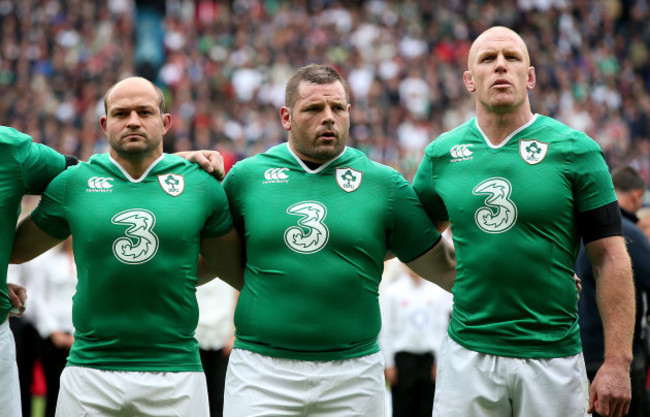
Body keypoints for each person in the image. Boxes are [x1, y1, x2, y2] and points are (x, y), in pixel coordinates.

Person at [412, 26, 635, 417]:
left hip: (553, 356)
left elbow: (610, 258)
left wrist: (617, 362)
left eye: (512, 58)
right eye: (487, 59)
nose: (501, 66)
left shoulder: (576, 150)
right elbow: (413, 239)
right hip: (468, 355)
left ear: (529, 76)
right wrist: (460, 276)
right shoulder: (441, 155)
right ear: (469, 80)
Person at [221, 63, 457, 416]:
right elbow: (205, 260)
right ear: (286, 117)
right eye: (314, 109)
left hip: (354, 376)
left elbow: (446, 266)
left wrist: (534, 286)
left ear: (349, 113)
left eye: (337, 108)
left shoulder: (384, 185)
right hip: (260, 373)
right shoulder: (245, 178)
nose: (328, 117)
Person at [10, 76, 244, 417]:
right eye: (121, 113)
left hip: (175, 371)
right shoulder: (76, 183)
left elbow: (232, 268)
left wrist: (173, 273)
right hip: (89, 370)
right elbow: (16, 248)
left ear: (165, 123)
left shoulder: (200, 185)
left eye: (144, 112)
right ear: (105, 124)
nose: (133, 120)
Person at [576, 165, 650, 417]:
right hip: (615, 355)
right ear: (636, 195)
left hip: (579, 351)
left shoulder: (576, 229)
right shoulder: (627, 232)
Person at [379, 264, 452, 417]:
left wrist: (440, 361)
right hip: (403, 361)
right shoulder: (394, 292)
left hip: (428, 360)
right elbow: (386, 329)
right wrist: (389, 363)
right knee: (402, 407)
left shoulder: (437, 292)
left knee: (428, 408)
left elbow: (442, 329)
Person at [195, 279, 237, 417]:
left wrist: (233, 334)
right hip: (197, 336)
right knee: (198, 397)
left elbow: (238, 289)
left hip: (223, 337)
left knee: (221, 398)